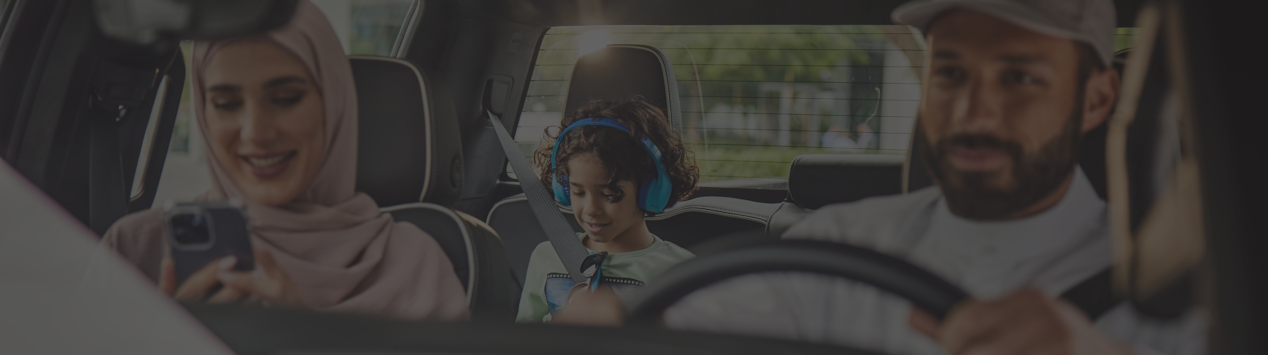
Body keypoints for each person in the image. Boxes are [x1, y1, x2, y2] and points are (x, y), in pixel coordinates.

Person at [555, 0, 1206, 354]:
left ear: (1097, 99)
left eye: (1019, 77)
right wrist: (618, 325)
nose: (973, 111)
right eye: (950, 73)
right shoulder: (843, 241)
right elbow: (699, 324)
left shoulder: (1186, 295)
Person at [100, 0, 467, 321]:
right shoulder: (136, 252)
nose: (255, 132)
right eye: (226, 104)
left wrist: (300, 339)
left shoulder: (415, 268)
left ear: (334, 105)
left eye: (286, 98)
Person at [516, 99, 700, 323]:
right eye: (578, 192)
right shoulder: (546, 257)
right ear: (562, 188)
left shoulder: (680, 270)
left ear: (651, 191)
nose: (591, 209)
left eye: (610, 195)